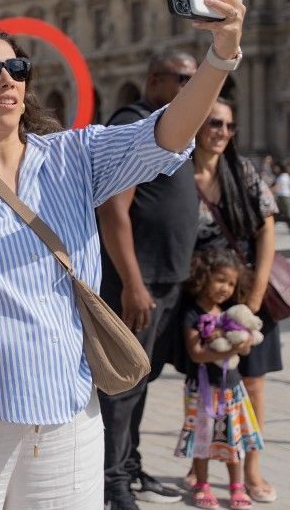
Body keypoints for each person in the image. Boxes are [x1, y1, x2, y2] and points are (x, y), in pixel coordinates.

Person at [0, 0, 247, 509]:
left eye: (17, 68)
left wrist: (221, 52)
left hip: (68, 419)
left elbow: (167, 133)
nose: (8, 78)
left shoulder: (74, 157)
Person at [96, 50, 198, 508]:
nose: (192, 88)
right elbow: (114, 208)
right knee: (121, 385)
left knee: (142, 380)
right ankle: (112, 481)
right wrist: (133, 283)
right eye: (184, 79)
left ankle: (130, 465)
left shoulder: (173, 130)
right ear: (155, 79)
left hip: (167, 278)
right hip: (139, 281)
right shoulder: (134, 124)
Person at [190, 97, 280, 503]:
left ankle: (252, 468)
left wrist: (258, 292)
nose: (222, 132)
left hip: (246, 294)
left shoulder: (242, 170)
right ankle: (201, 462)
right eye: (213, 123)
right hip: (203, 295)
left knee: (254, 383)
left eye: (228, 125)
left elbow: (266, 229)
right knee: (202, 381)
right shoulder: (179, 173)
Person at [174, 248, 262, 510]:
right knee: (203, 439)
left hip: (231, 387)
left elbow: (244, 347)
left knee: (233, 439)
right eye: (221, 279)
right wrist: (235, 348)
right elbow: (197, 354)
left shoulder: (228, 312)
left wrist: (244, 343)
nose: (226, 288)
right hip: (202, 389)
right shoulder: (191, 313)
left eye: (231, 283)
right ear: (206, 276)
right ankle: (202, 484)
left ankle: (237, 486)